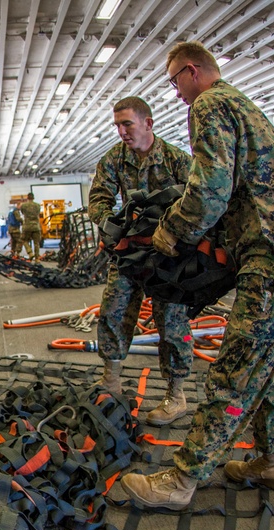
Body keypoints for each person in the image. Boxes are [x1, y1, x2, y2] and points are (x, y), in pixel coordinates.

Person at [120, 41, 274, 510]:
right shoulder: (240, 104)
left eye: (174, 82)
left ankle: (182, 480)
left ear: (192, 71)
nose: (176, 93)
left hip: (271, 262)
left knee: (232, 373)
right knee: (262, 369)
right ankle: (271, 461)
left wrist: (170, 233)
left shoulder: (210, 104)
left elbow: (209, 187)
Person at [88, 96, 192, 425]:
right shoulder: (114, 159)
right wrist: (111, 227)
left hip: (169, 255)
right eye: (117, 125)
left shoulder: (177, 160)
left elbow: (202, 201)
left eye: (127, 124)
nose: (121, 131)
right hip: (130, 252)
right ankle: (112, 381)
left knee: (172, 323)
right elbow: (99, 196)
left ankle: (176, 395)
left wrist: (177, 234)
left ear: (148, 123)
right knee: (114, 311)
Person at [19, 193, 42, 261]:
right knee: (36, 243)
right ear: (33, 198)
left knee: (24, 240)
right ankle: (37, 258)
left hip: (27, 226)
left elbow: (23, 213)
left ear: (27, 198)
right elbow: (38, 213)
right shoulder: (38, 206)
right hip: (36, 226)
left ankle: (30, 253)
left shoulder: (24, 206)